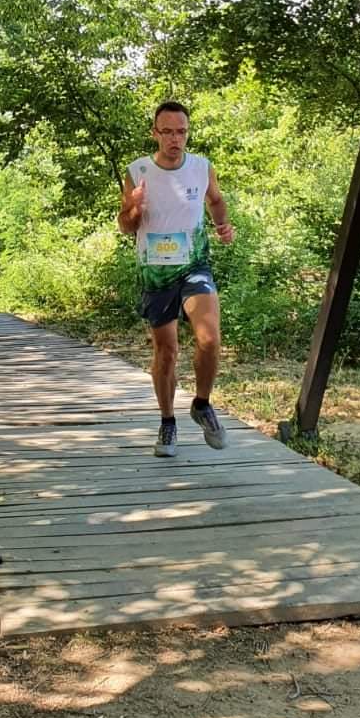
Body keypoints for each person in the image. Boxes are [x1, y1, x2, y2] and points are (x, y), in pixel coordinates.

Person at [117, 100, 234, 458]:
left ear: (187, 133)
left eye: (181, 132)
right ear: (155, 133)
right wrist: (134, 206)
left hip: (194, 264)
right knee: (166, 352)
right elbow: (126, 226)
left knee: (209, 339)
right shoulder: (138, 171)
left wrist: (222, 226)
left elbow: (216, 200)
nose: (174, 139)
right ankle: (167, 422)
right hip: (155, 270)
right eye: (167, 132)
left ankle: (202, 404)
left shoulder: (201, 167)